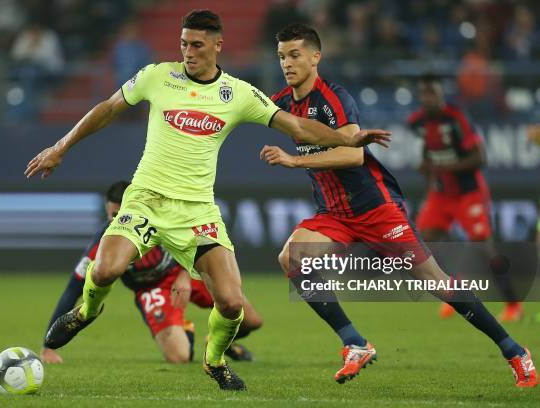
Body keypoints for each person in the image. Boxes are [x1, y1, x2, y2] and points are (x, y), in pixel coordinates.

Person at [24, 9, 390, 391]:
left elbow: (296, 125)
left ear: (218, 46)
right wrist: (60, 146)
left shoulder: (239, 94)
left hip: (197, 211)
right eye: (184, 44)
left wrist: (347, 138)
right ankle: (85, 311)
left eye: (197, 45)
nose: (188, 52)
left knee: (232, 303)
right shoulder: (156, 76)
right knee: (104, 271)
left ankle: (214, 361)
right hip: (147, 198)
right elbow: (109, 108)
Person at [261, 23, 536, 388]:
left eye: (295, 55)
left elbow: (353, 155)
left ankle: (515, 351)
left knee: (437, 284)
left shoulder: (334, 99)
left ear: (316, 57)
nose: (287, 63)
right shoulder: (281, 102)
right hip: (334, 214)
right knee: (290, 258)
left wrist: (295, 161)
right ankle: (355, 343)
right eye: (282, 56)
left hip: (376, 210)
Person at [40, 181, 261, 365]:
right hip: (151, 289)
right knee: (179, 356)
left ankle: (222, 341)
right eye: (112, 215)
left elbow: (201, 240)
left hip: (184, 271)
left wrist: (184, 275)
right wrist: (48, 346)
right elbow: (72, 290)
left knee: (250, 320)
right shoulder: (103, 245)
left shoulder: (161, 216)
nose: (118, 220)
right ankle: (184, 328)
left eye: (122, 213)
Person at [408, 74, 522, 321]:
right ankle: (455, 290)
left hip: (468, 193)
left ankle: (513, 304)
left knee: (484, 247)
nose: (429, 99)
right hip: (440, 194)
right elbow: (429, 148)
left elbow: (480, 157)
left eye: (433, 94)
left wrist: (443, 166)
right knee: (424, 243)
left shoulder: (456, 118)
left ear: (441, 96)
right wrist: (428, 170)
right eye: (424, 95)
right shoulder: (417, 122)